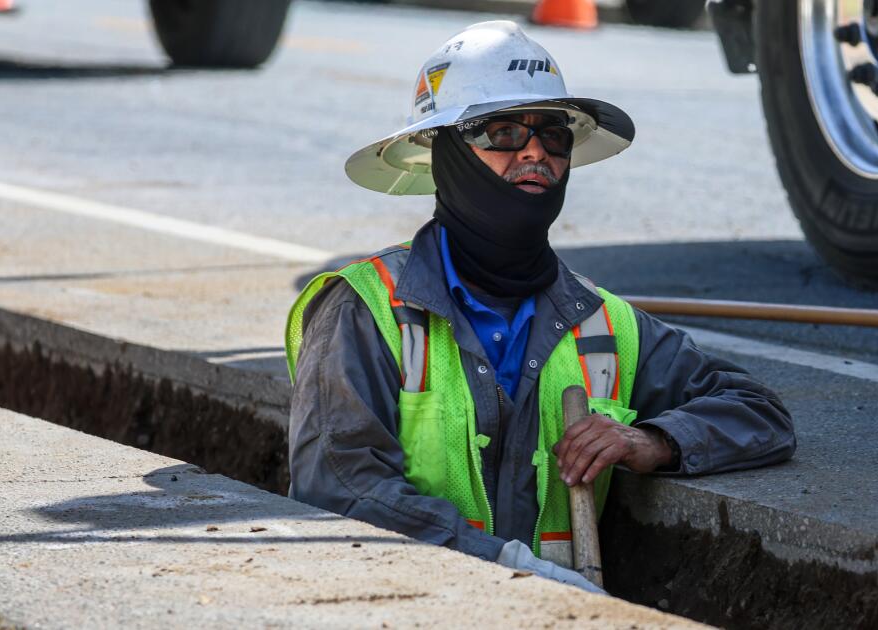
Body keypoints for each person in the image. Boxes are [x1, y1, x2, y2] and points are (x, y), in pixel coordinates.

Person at [285, 21, 794, 594]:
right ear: (445, 153)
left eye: (554, 135)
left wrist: (655, 441)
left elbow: (759, 414)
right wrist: (505, 564)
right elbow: (339, 488)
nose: (535, 152)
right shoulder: (365, 309)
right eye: (502, 132)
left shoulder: (603, 323)